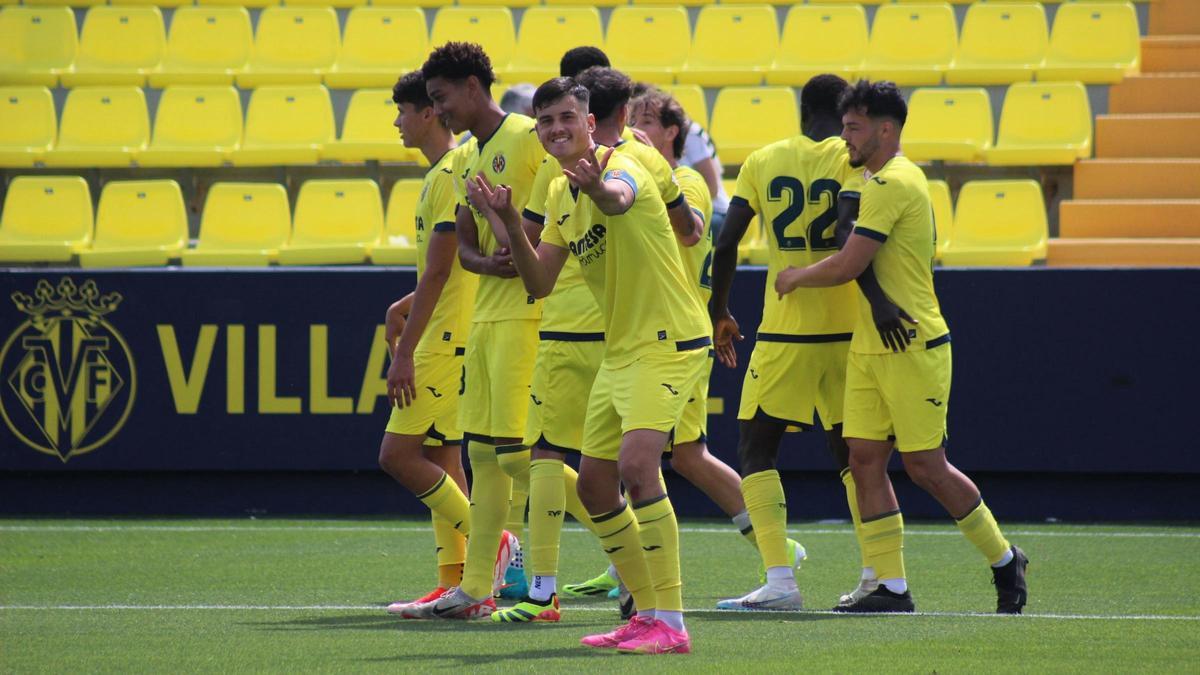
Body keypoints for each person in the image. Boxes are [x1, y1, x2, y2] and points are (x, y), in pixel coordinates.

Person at [472, 77, 708, 654]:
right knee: (598, 485)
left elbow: (618, 198)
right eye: (545, 121)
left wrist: (600, 187)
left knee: (636, 465)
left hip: (670, 340)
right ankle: (644, 612)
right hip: (620, 348)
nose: (556, 129)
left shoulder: (627, 161)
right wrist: (505, 222)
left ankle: (672, 624)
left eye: (566, 119)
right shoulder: (555, 191)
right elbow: (539, 281)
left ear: (590, 122)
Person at [774, 79, 1029, 614]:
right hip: (871, 344)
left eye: (853, 128)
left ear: (885, 130)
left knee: (925, 466)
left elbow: (849, 264)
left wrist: (794, 277)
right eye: (844, 125)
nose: (844, 136)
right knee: (864, 460)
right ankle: (889, 584)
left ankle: (1006, 560)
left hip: (913, 343)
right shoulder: (876, 179)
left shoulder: (894, 182)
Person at [405, 42, 546, 620]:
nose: (438, 111)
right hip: (486, 315)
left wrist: (508, 242)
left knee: (519, 459)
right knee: (484, 458)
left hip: (527, 317)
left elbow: (543, 228)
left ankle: (589, 554)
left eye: (441, 99)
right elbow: (464, 240)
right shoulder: (468, 155)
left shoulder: (527, 138)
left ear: (471, 85)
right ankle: (477, 588)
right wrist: (486, 260)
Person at [377, 70, 478, 617]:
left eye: (402, 110)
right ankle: (457, 583)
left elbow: (441, 273)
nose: (396, 121)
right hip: (450, 332)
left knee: (397, 456)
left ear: (428, 114)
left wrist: (406, 350)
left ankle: (495, 548)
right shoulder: (446, 171)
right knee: (443, 457)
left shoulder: (446, 175)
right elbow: (438, 272)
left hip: (443, 341)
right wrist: (406, 303)